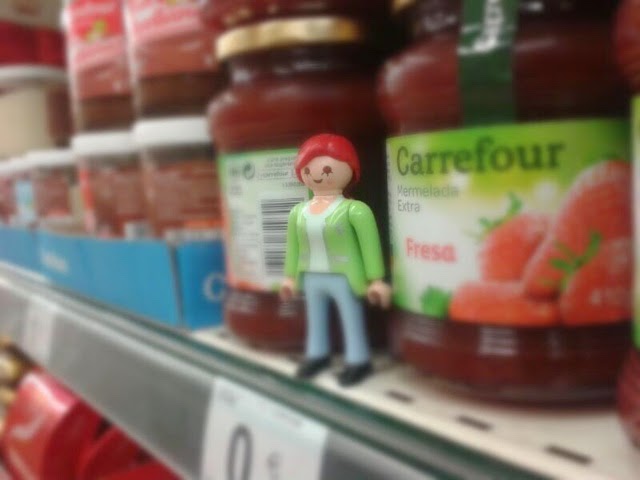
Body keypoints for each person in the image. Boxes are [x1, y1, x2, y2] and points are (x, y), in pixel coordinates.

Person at [280, 134, 391, 386]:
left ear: (350, 169)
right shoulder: (298, 212)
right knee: (315, 319)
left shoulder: (354, 210)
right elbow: (293, 247)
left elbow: (369, 246)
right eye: (308, 169)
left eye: (328, 169)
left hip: (344, 275)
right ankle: (317, 354)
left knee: (351, 318)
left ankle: (358, 360)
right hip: (311, 274)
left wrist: (376, 279)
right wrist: (289, 277)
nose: (318, 175)